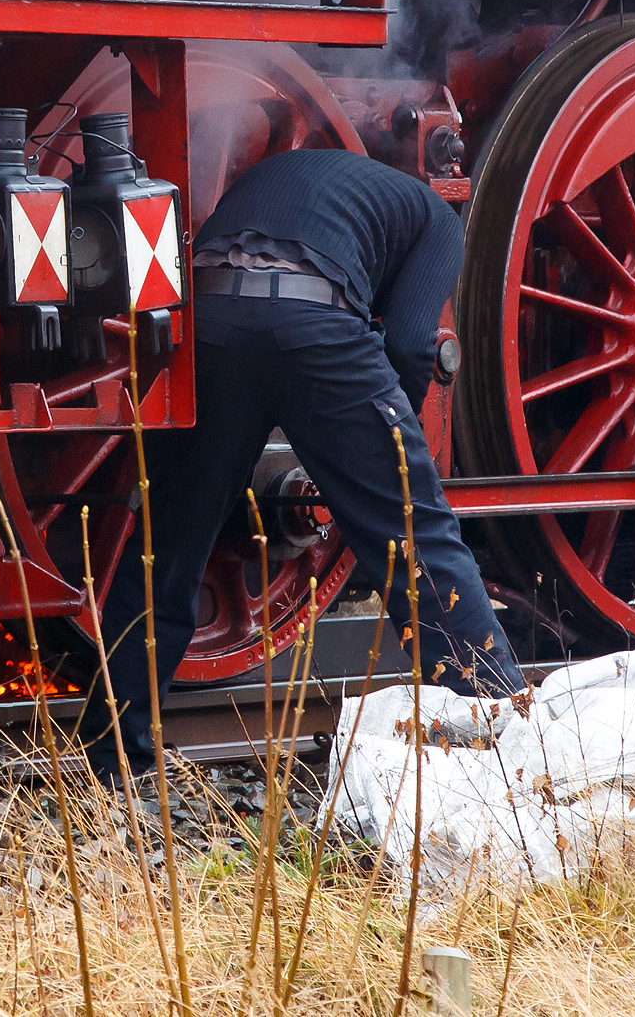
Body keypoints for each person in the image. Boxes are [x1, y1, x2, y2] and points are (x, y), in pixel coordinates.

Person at [80, 149, 527, 782]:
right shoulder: (439, 218)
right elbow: (404, 339)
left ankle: (107, 757)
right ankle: (499, 732)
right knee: (415, 531)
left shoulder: (301, 177)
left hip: (210, 318)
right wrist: (380, 436)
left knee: (169, 544)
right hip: (313, 317)